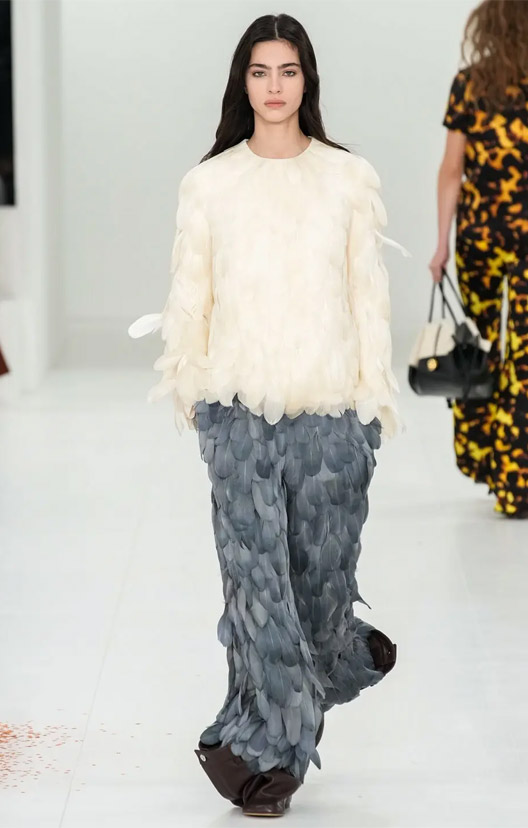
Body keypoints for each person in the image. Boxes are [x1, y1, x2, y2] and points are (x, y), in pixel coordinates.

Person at [129, 13, 408, 817]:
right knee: (259, 593)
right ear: (242, 82)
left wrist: (370, 408)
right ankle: (262, 759)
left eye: (288, 70)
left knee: (317, 595)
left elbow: (367, 300)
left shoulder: (347, 179)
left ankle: (340, 659)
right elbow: (192, 295)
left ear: (306, 80)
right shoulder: (210, 185)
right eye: (260, 71)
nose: (274, 86)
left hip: (332, 420)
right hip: (238, 415)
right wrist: (197, 398)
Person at [429, 0, 528, 519]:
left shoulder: (470, 84)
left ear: (486, 27)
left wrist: (441, 243)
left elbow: (451, 170)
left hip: (479, 236)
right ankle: (522, 483)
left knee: (479, 349)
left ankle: (483, 458)